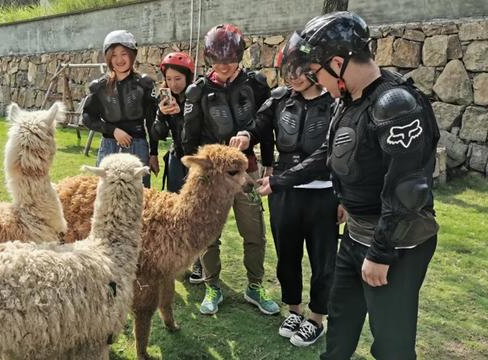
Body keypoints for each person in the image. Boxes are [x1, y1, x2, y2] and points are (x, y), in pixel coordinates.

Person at [255, 11, 440, 359]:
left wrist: (380, 254)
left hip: (397, 246)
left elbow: (408, 189)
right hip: (355, 236)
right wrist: (281, 182)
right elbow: (330, 153)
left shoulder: (395, 105)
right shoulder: (349, 101)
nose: (317, 81)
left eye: (317, 73)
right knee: (339, 326)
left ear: (337, 62)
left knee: (392, 343)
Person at [230, 44, 341, 346]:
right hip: (284, 195)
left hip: (322, 193)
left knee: (323, 260)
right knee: (286, 257)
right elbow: (259, 124)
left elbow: (327, 154)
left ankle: (317, 317)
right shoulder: (280, 98)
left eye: (299, 70)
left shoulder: (335, 103)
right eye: (287, 71)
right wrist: (246, 135)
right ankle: (294, 309)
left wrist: (342, 197)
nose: (292, 77)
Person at [182, 23, 278, 316]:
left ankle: (255, 285)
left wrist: (269, 164)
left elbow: (267, 126)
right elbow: (190, 137)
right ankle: (212, 285)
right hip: (212, 177)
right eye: (217, 60)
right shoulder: (197, 91)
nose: (224, 66)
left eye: (230, 59)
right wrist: (198, 172)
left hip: (246, 169)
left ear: (240, 55)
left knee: (254, 231)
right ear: (209, 58)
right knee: (209, 234)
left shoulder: (257, 85)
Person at [82, 30, 159, 187]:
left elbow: (152, 121)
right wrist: (113, 130)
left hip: (138, 147)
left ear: (132, 54)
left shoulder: (144, 85)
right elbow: (87, 117)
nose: (119, 59)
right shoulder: (100, 87)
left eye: (124, 53)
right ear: (108, 57)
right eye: (114, 54)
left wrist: (154, 154)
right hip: (109, 147)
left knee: (140, 198)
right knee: (106, 197)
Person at [150, 51, 195, 193]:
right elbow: (157, 134)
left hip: (196, 158)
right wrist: (161, 115)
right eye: (168, 79)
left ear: (187, 77)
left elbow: (197, 132)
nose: (173, 84)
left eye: (178, 78)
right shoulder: (164, 98)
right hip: (176, 156)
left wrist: (181, 115)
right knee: (174, 204)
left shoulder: (197, 97)